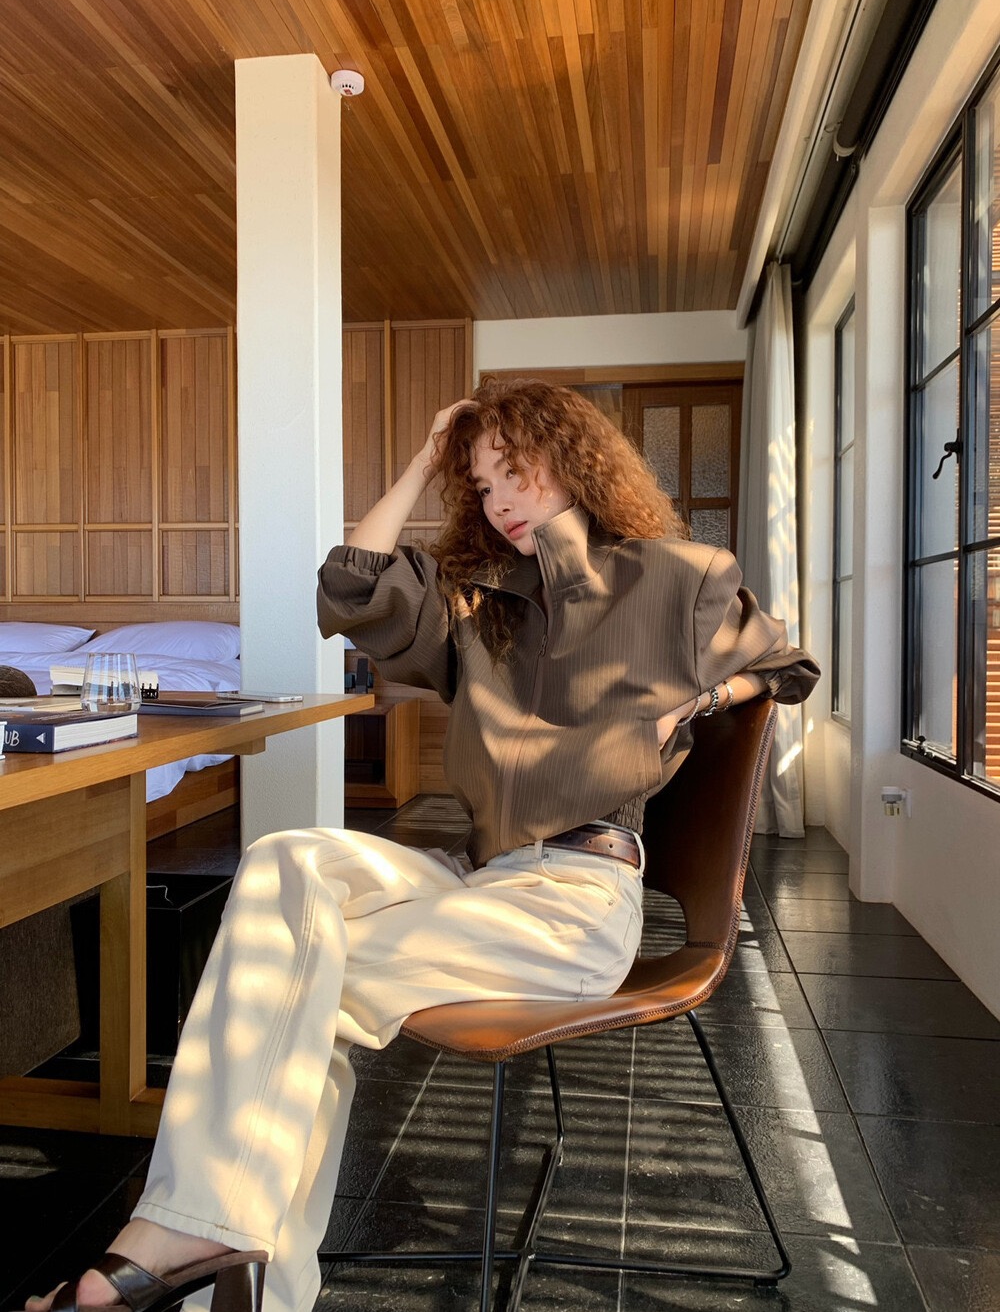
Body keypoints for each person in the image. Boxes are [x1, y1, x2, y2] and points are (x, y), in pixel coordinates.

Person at [28, 378, 818, 1312]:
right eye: (482, 485)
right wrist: (421, 459)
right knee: (284, 861)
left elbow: (786, 664)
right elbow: (351, 585)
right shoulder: (477, 605)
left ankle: (201, 1258)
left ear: (573, 459)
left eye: (517, 471)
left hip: (574, 901)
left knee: (293, 988)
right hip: (469, 875)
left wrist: (696, 700)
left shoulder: (676, 576)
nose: (502, 500)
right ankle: (215, 1254)